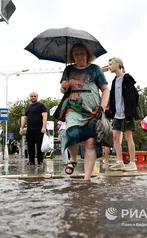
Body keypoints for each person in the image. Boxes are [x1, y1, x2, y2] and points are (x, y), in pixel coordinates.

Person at [59, 43, 110, 182]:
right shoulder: (68, 69)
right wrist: (64, 87)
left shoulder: (95, 69)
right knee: (71, 132)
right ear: (72, 56)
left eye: (82, 53)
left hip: (92, 110)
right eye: (76, 54)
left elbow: (105, 89)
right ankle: (73, 159)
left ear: (88, 54)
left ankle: (87, 179)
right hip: (73, 108)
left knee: (90, 142)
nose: (79, 56)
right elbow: (63, 89)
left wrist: (103, 106)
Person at [107, 57, 139, 171]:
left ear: (117, 65)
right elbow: (113, 98)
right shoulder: (114, 81)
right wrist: (111, 111)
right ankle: (119, 161)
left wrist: (130, 113)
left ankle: (132, 163)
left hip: (126, 114)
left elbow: (133, 97)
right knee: (115, 137)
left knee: (128, 136)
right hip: (117, 114)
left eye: (110, 64)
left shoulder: (127, 79)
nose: (109, 67)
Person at [19, 92, 47, 166]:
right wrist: (21, 128)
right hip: (30, 130)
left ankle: (40, 161)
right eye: (32, 96)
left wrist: (44, 127)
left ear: (37, 97)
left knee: (39, 146)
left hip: (39, 129)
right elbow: (25, 118)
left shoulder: (41, 106)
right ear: (30, 97)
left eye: (35, 96)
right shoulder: (28, 107)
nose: (33, 97)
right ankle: (31, 161)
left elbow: (44, 116)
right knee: (30, 146)